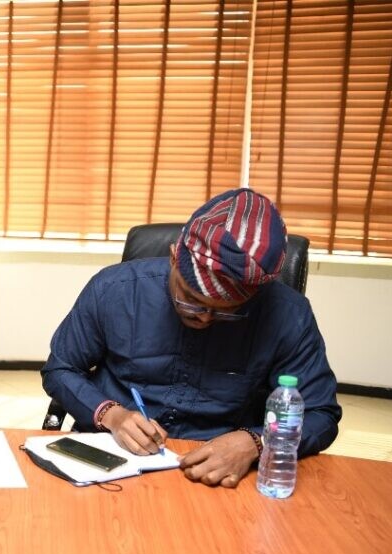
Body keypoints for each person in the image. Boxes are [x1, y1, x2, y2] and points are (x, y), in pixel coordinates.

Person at [42, 188, 341, 488]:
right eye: (190, 300)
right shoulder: (114, 289)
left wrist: (256, 442)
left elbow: (320, 413)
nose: (204, 317)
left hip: (217, 471)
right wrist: (111, 415)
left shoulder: (288, 315)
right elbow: (60, 368)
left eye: (226, 311)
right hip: (112, 456)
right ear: (174, 257)